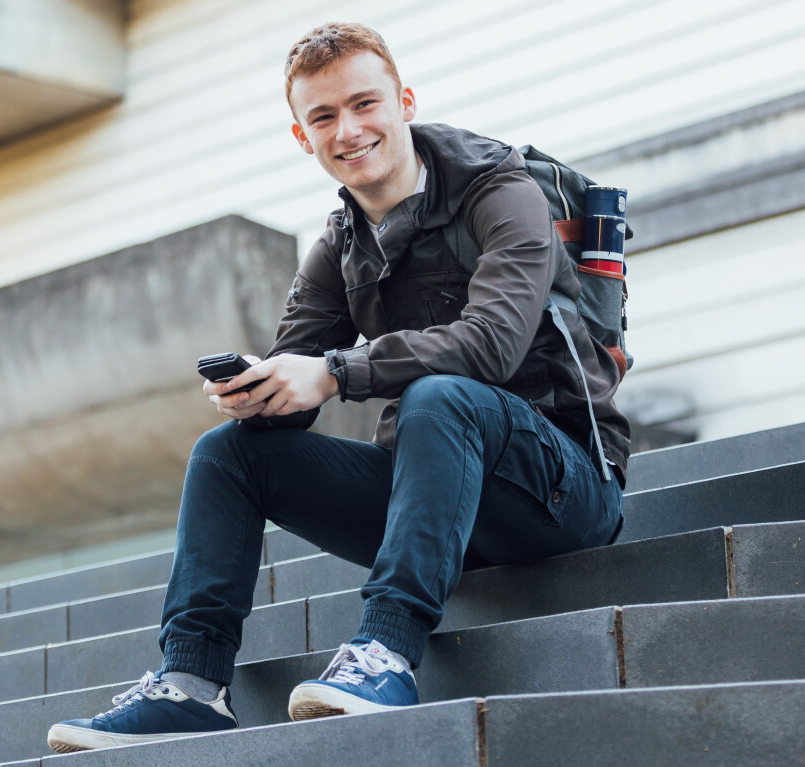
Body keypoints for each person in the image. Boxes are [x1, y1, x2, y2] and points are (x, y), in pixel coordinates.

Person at [47, 21, 629, 753]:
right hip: (439, 504)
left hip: (563, 488)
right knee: (229, 453)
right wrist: (259, 393)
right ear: (302, 136)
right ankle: (190, 685)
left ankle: (385, 655)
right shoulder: (340, 244)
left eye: (363, 104)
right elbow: (296, 384)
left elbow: (491, 343)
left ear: (404, 101)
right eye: (322, 117)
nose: (347, 130)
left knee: (440, 395)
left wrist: (334, 370)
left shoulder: (501, 192)